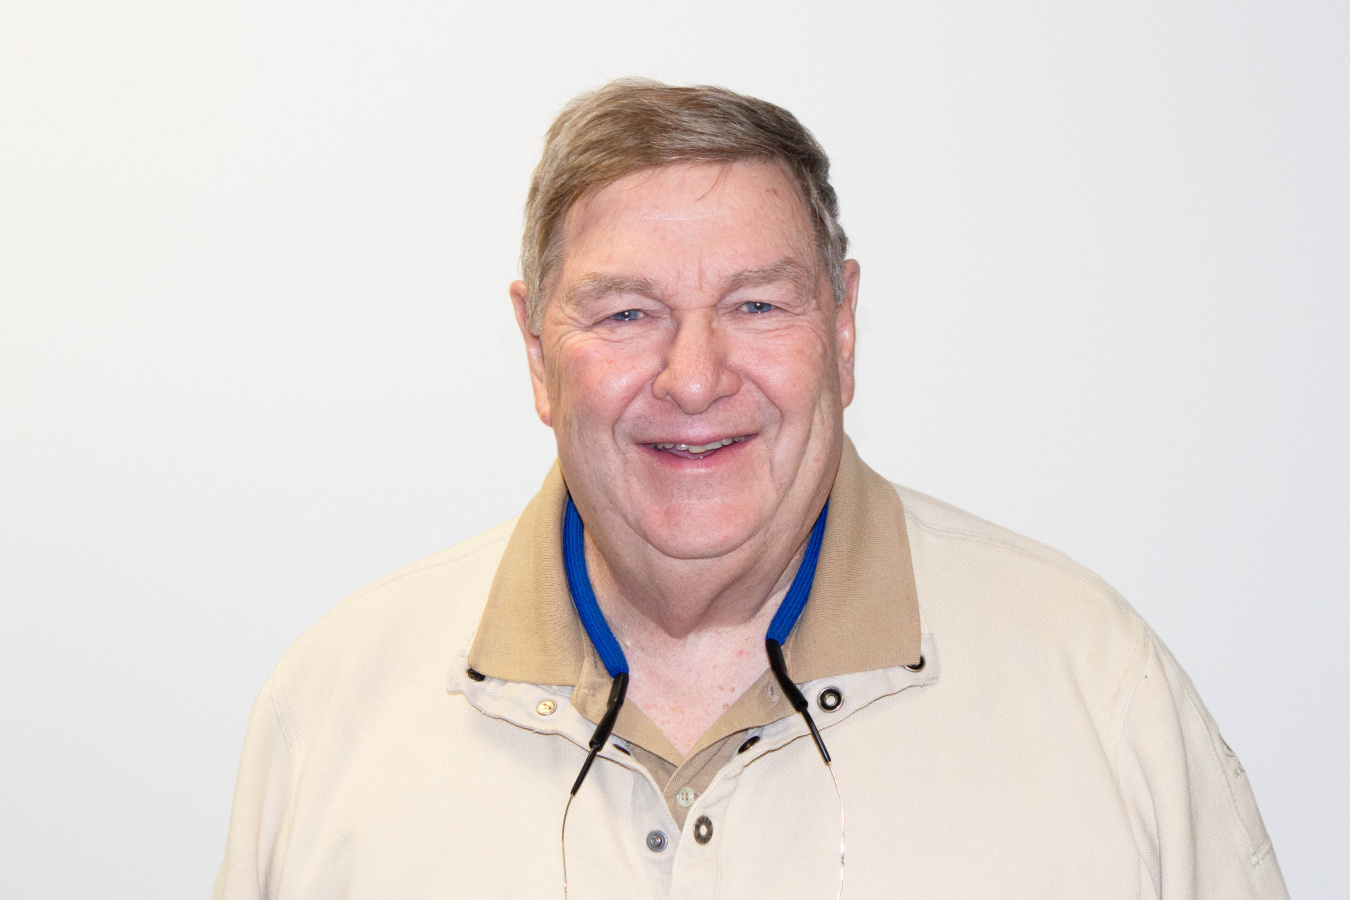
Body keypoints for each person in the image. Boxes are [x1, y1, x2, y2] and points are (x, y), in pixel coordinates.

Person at [214, 79, 1288, 899]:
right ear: (538, 355)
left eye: (758, 306)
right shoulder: (336, 713)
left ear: (844, 329)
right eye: (626, 314)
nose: (694, 379)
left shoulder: (1097, 693)